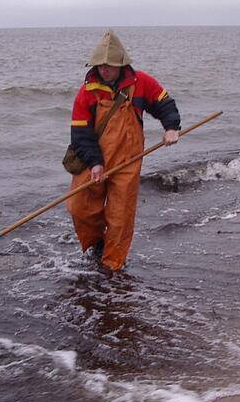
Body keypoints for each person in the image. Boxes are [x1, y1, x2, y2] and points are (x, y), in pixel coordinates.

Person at [66, 30, 181, 271]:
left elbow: (164, 103)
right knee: (79, 206)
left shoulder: (141, 83)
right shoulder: (87, 91)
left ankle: (112, 268)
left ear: (121, 64)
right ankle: (97, 243)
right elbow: (80, 133)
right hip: (92, 160)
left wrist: (171, 128)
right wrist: (95, 162)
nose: (104, 70)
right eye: (100, 65)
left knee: (120, 218)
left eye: (109, 65)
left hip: (128, 161)